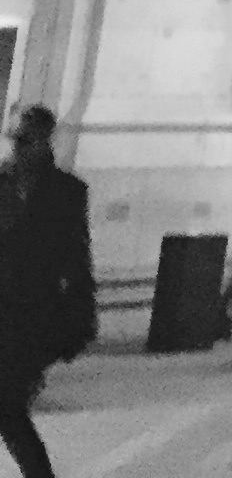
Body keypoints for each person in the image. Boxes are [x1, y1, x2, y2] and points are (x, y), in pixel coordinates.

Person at [0, 108, 95, 478]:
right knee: (7, 407)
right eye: (16, 140)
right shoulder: (2, 184)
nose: (19, 148)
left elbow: (78, 256)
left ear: (44, 141)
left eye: (26, 141)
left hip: (33, 315)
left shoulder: (67, 192)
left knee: (8, 405)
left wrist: (82, 316)